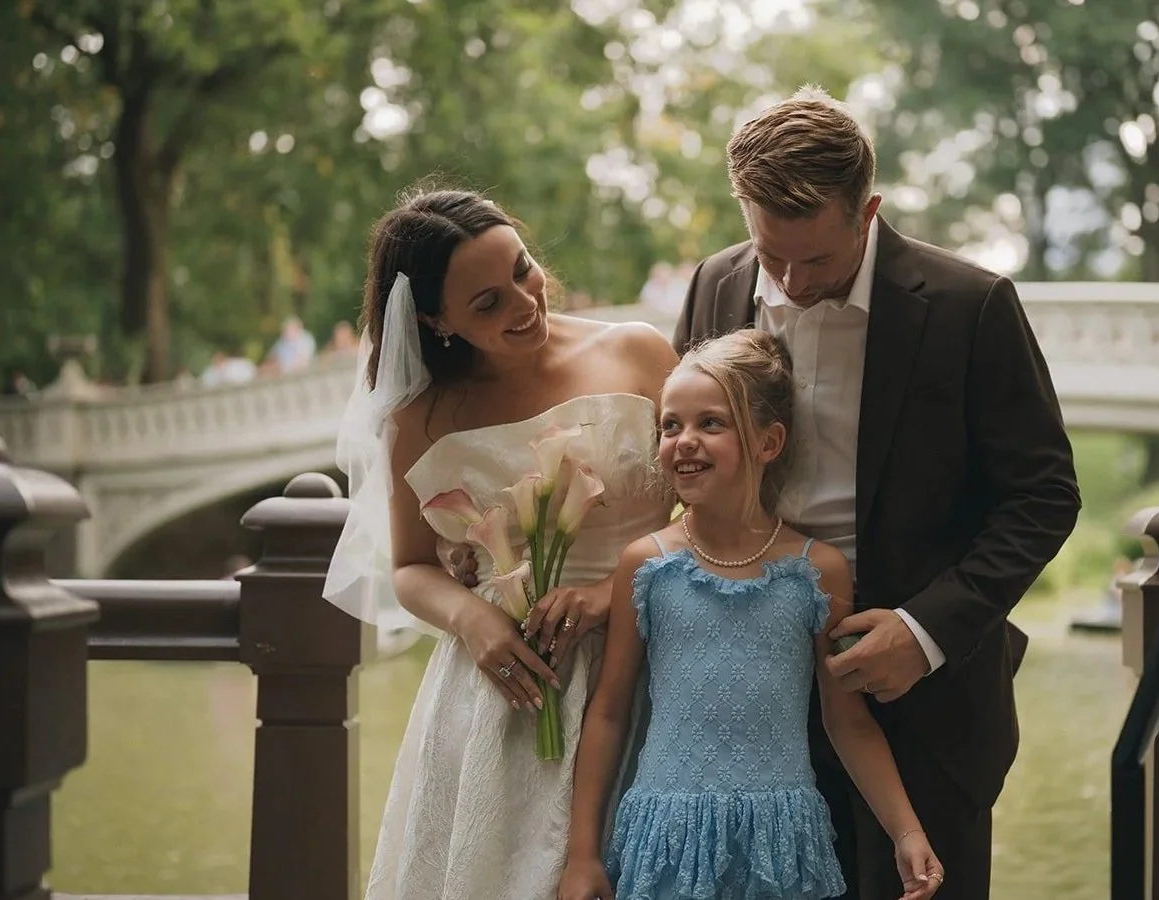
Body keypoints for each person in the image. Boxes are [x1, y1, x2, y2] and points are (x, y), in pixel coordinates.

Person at [671, 87, 1081, 899]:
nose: (788, 282)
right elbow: (686, 461)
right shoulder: (716, 286)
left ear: (869, 211)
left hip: (926, 707)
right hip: (747, 689)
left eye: (815, 260)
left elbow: (1043, 497)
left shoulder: (973, 307)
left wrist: (924, 631)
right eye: (769, 252)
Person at [321, 187, 677, 900]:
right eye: (486, 302)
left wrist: (615, 591)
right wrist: (472, 618)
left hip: (655, 657)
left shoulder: (637, 351)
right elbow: (413, 567)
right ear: (435, 320)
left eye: (522, 269)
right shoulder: (422, 419)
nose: (523, 303)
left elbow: (713, 506)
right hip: (508, 691)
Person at [558, 330, 943, 900]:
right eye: (670, 425)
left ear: (769, 441)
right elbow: (610, 712)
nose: (684, 441)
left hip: (781, 846)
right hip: (667, 839)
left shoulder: (819, 571)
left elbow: (848, 720)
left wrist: (906, 830)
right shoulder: (647, 564)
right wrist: (582, 854)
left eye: (710, 423)